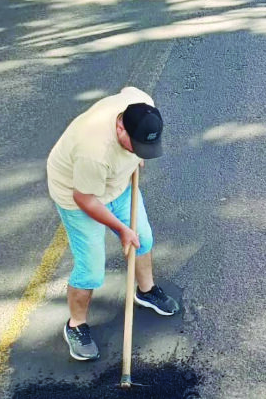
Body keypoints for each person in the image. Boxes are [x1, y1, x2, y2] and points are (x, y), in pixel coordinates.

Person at [47, 86, 179, 361]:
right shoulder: (93, 151)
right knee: (91, 268)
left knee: (143, 237)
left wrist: (137, 153)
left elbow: (129, 90)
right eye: (137, 145)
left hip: (118, 184)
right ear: (120, 127)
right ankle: (76, 325)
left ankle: (146, 291)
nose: (141, 150)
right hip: (79, 195)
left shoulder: (140, 104)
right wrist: (120, 229)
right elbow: (84, 199)